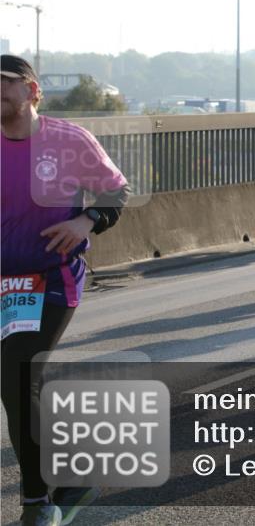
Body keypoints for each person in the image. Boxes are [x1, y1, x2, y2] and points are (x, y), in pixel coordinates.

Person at [2, 54, 131, 526]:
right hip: (3, 282)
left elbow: (116, 193)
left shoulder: (68, 140)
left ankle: (39, 505)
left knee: (17, 378)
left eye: (6, 81)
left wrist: (86, 219)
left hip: (51, 279)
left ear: (33, 91)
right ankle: (75, 476)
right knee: (19, 386)